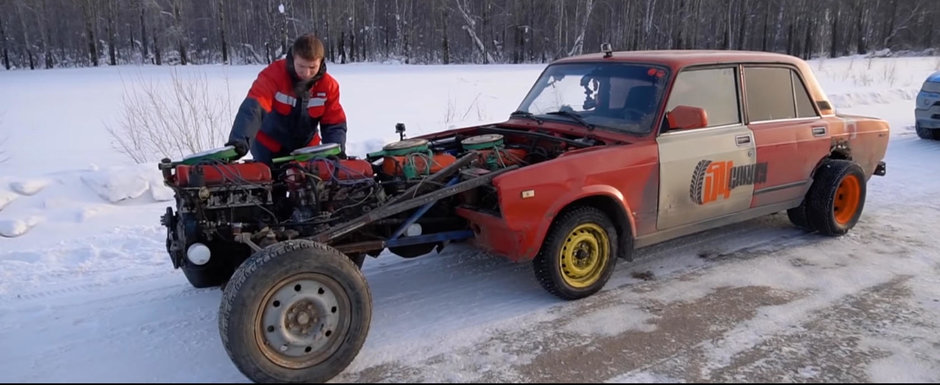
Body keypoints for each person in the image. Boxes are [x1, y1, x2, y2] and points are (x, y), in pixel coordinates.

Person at [226, 34, 348, 164]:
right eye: (301, 66)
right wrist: (239, 142)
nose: (306, 73)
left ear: (321, 62)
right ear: (293, 58)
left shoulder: (328, 86)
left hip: (307, 151)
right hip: (269, 148)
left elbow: (334, 123)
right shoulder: (273, 75)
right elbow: (253, 109)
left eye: (312, 67)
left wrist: (335, 151)